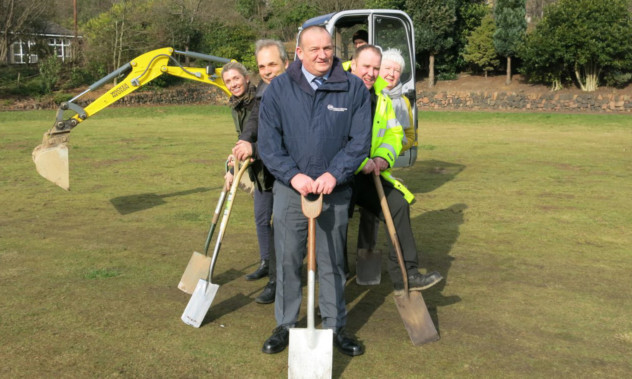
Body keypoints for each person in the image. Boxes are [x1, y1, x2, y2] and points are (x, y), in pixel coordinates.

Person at [258, 25, 372, 356]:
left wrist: (335, 174)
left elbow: (359, 141)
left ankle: (336, 326)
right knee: (289, 258)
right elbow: (268, 143)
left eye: (328, 48)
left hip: (334, 191)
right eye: (314, 50)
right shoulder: (278, 90)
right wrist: (292, 176)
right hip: (290, 191)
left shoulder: (352, 89)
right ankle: (286, 324)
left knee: (332, 260)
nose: (323, 55)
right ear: (298, 53)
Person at [350, 44, 443, 293]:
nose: (373, 73)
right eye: (367, 67)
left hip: (369, 174)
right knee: (336, 220)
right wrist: (360, 161)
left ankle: (407, 275)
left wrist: (382, 157)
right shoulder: (340, 91)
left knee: (398, 205)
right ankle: (331, 280)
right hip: (338, 175)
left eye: (377, 68)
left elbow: (395, 134)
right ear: (354, 64)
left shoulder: (383, 99)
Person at [232, 39, 289, 304]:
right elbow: (255, 122)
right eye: (262, 66)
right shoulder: (263, 91)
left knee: (287, 229)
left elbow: (286, 137)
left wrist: (253, 148)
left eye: (272, 64)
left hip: (291, 172)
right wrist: (244, 142)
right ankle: (275, 278)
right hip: (266, 170)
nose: (267, 70)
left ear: (286, 63)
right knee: (269, 223)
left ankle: (286, 280)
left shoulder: (297, 91)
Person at [356, 48, 417, 257]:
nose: (391, 73)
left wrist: (387, 154)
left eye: (397, 70)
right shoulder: (371, 93)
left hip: (383, 163)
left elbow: (407, 135)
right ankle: (365, 252)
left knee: (389, 207)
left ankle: (376, 256)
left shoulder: (403, 101)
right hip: (359, 165)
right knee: (366, 214)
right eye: (388, 68)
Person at [221, 62, 272, 285]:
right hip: (257, 172)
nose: (233, 84)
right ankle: (266, 262)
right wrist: (232, 168)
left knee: (281, 223)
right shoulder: (236, 106)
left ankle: (284, 266)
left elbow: (266, 134)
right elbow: (242, 138)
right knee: (261, 219)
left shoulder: (259, 101)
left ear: (246, 78)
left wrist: (252, 151)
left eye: (236, 78)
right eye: (228, 81)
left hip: (274, 169)